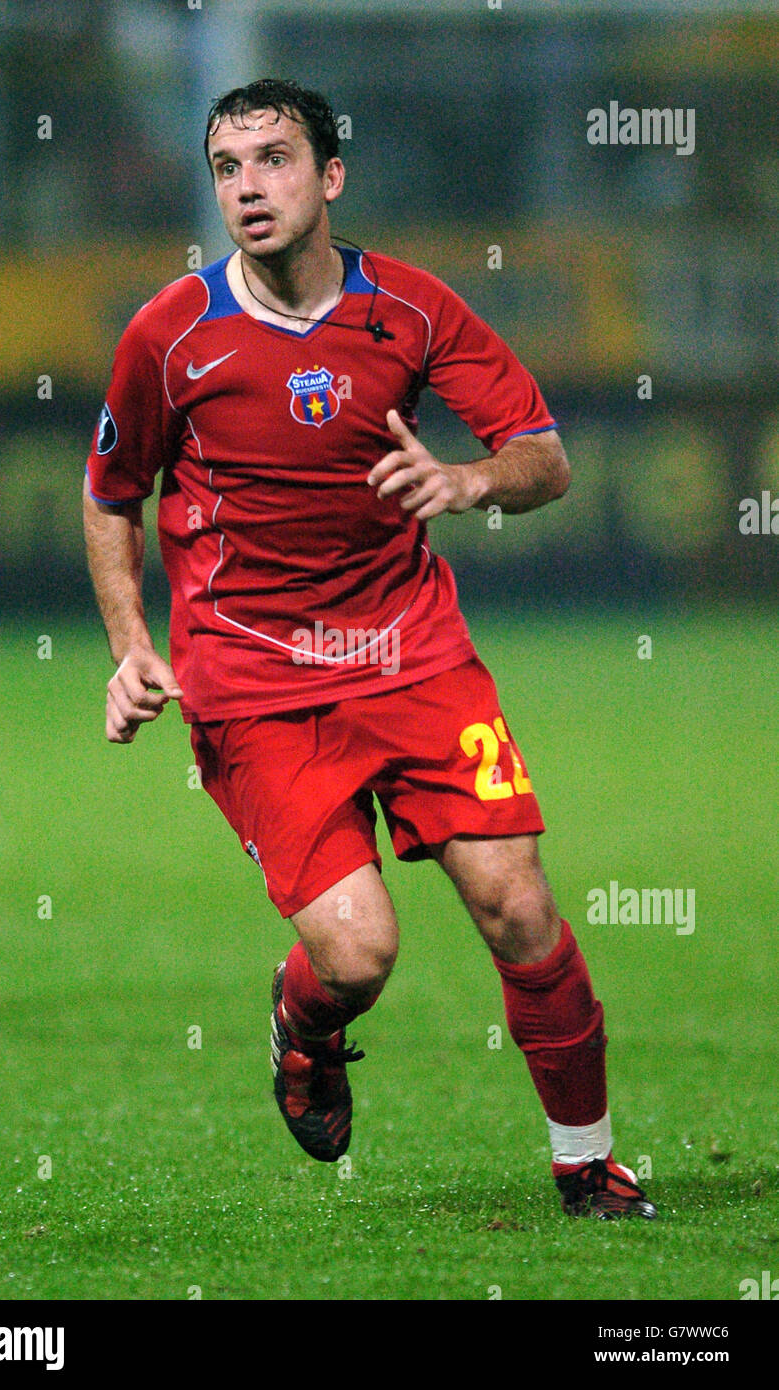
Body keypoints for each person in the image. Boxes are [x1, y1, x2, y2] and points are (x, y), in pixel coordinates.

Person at [83, 78, 655, 1220]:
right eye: (228, 166)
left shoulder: (411, 309)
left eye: (275, 159)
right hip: (252, 678)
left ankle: (585, 1163)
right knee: (357, 955)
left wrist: (465, 480)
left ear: (329, 177)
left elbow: (543, 457)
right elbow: (112, 494)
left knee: (517, 902)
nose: (250, 185)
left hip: (415, 656)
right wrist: (129, 646)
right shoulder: (170, 332)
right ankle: (304, 1029)